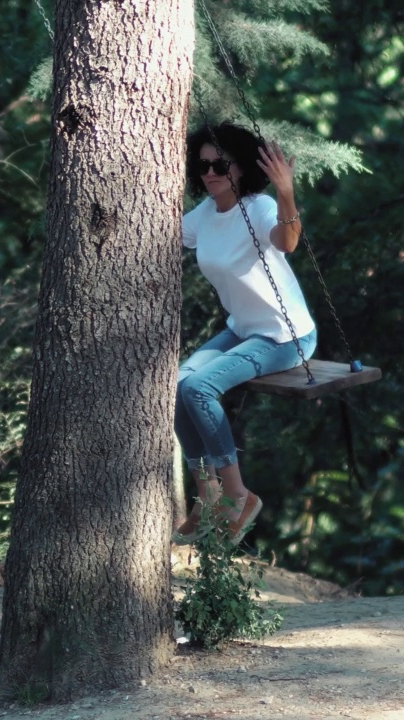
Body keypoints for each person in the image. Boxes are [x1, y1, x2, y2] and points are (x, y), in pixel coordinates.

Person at [174, 123, 317, 545]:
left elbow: (288, 241)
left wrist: (286, 191)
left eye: (220, 163)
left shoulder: (258, 208)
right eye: (203, 165)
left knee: (199, 388)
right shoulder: (203, 215)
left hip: (284, 337)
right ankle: (208, 493)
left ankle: (239, 495)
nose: (211, 172)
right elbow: (155, 232)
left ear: (240, 168)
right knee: (178, 382)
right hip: (242, 330)